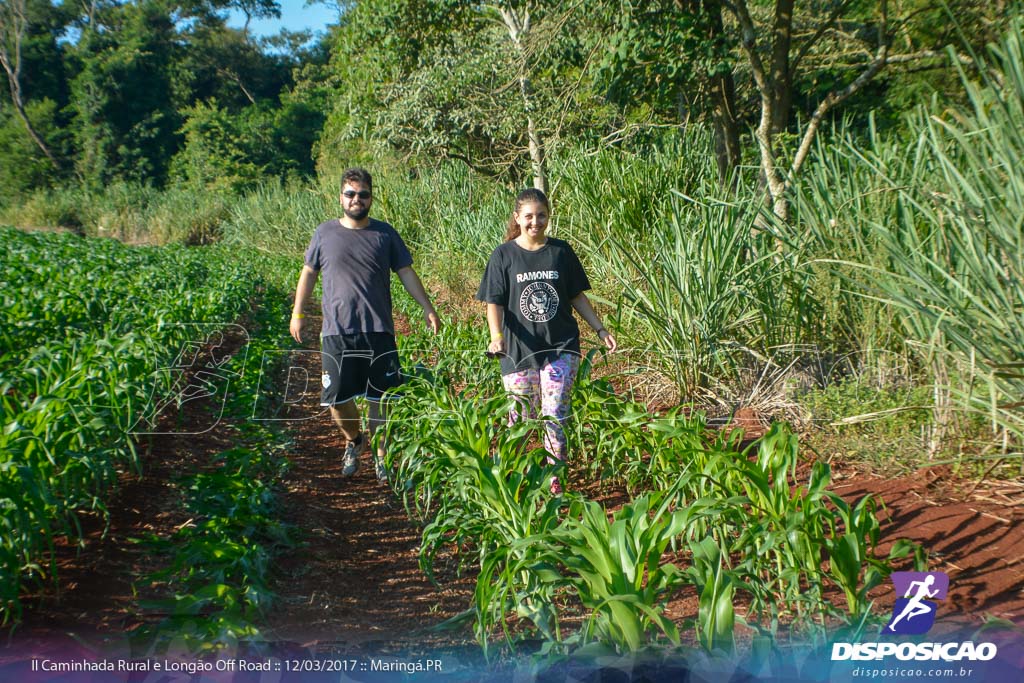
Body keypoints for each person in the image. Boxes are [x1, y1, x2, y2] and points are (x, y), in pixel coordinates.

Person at [291, 167, 441, 481]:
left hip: (378, 329)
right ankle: (355, 441)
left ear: (371, 197)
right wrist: (298, 312)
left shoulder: (385, 234)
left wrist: (426, 306)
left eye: (363, 194)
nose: (356, 200)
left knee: (380, 400)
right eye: (350, 194)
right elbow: (308, 273)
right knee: (337, 400)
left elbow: (407, 273)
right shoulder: (324, 233)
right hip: (337, 331)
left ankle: (381, 457)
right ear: (340, 197)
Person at [476, 188, 617, 494]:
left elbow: (576, 294)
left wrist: (600, 329)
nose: (535, 222)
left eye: (541, 215)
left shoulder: (561, 252)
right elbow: (493, 302)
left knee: (555, 416)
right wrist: (496, 337)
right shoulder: (503, 255)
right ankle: (520, 480)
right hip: (518, 349)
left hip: (560, 347)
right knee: (521, 419)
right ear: (518, 218)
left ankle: (555, 483)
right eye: (528, 216)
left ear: (548, 216)